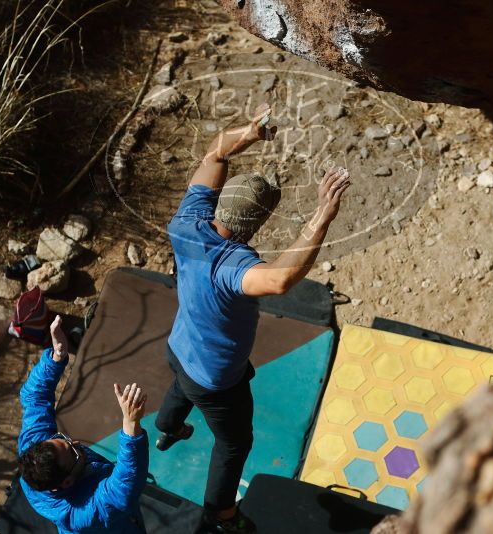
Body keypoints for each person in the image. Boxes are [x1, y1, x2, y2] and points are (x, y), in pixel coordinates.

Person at [155, 103, 351, 533]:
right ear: (256, 223)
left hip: (180, 345)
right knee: (233, 442)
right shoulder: (233, 268)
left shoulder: (186, 222)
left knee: (179, 384)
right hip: (216, 377)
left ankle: (166, 427)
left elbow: (213, 157)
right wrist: (322, 215)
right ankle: (220, 512)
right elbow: (281, 279)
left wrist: (248, 132)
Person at [17, 315, 149, 533]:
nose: (75, 442)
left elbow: (34, 397)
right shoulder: (84, 510)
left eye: (63, 439)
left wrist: (56, 357)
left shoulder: (34, 449)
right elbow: (124, 486)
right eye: (74, 451)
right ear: (67, 482)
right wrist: (130, 425)